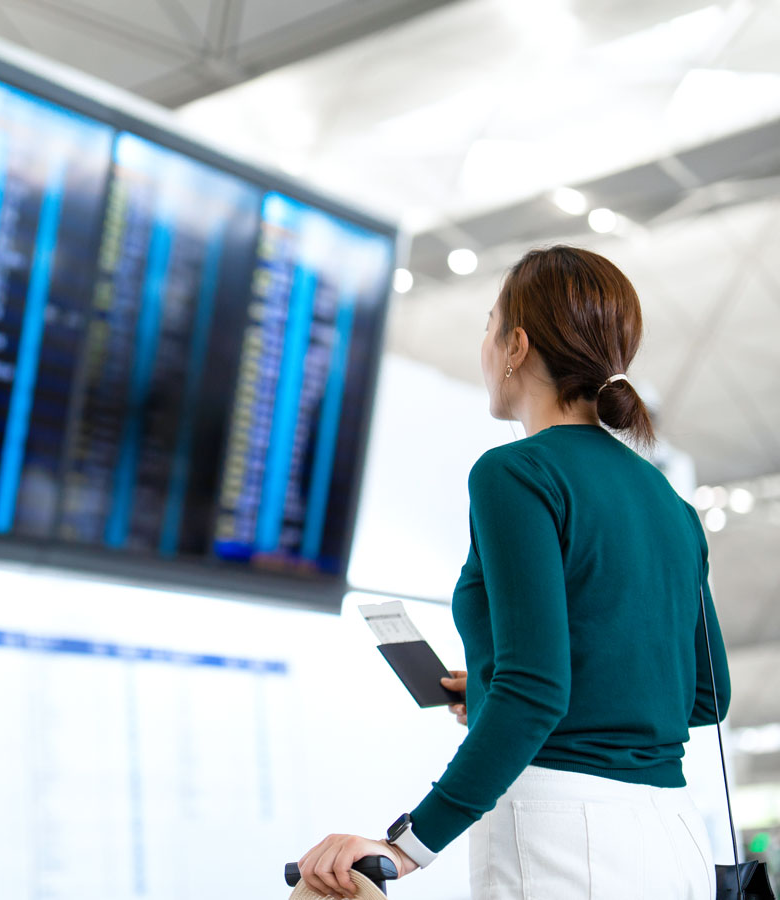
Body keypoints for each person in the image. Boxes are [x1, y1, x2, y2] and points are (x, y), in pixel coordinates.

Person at [297, 246, 731, 900]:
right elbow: (707, 696)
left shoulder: (515, 473)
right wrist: (495, 686)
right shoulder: (671, 505)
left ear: (515, 346)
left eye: (489, 325)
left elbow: (537, 690)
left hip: (566, 840)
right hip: (676, 840)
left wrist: (405, 846)